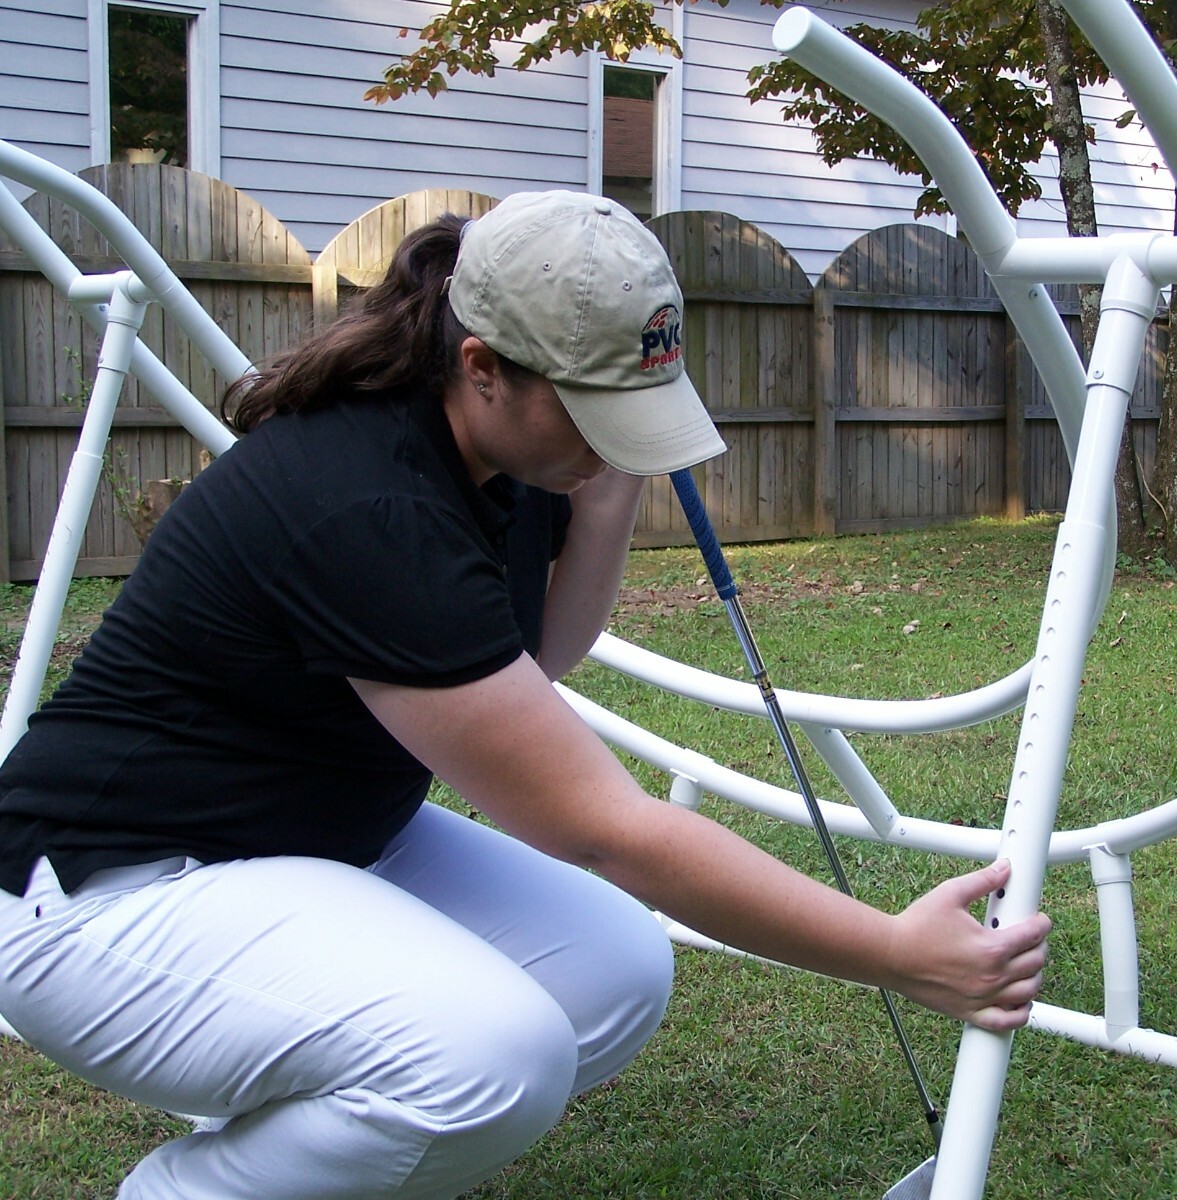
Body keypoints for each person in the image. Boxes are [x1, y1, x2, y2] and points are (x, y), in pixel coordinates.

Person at [0, 191, 1050, 1199]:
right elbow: (608, 833)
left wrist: (614, 475)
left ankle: (317, 1145)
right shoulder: (365, 501)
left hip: (307, 841)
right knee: (491, 1056)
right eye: (595, 408)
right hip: (104, 893)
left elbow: (538, 653)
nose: (615, 436)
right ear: (482, 366)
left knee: (612, 970)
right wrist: (894, 953)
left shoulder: (499, 457)